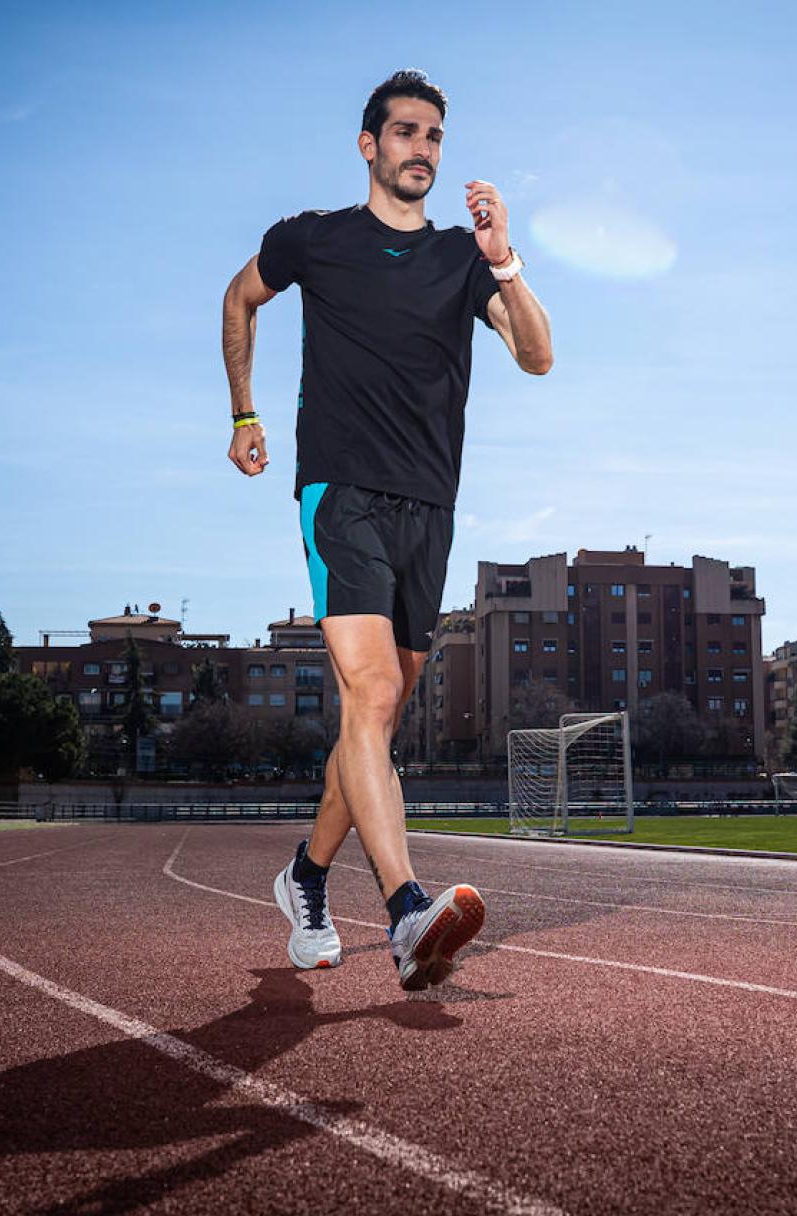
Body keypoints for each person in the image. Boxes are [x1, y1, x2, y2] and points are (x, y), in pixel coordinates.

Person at [220, 69, 553, 991]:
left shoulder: (459, 258)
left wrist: (505, 258)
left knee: (381, 713)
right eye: (405, 132)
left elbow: (537, 355)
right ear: (369, 145)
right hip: (342, 493)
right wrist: (244, 416)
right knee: (367, 697)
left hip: (429, 509)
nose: (423, 149)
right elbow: (237, 299)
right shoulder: (314, 241)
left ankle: (307, 875)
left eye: (435, 137)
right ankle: (408, 912)